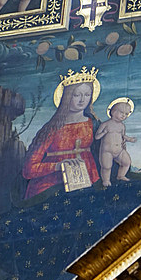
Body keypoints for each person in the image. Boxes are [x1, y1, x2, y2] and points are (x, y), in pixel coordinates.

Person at [22, 70, 101, 200]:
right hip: (51, 187)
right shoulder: (51, 128)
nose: (82, 100)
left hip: (87, 182)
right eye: (76, 95)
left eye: (87, 94)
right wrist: (57, 166)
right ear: (66, 97)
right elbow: (28, 169)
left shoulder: (94, 124)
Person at [96, 98, 136, 186]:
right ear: (113, 112)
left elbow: (123, 136)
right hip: (107, 151)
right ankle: (106, 180)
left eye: (126, 114)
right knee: (106, 167)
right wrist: (104, 132)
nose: (124, 116)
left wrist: (129, 139)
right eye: (122, 112)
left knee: (127, 162)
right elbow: (97, 137)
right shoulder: (105, 124)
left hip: (119, 150)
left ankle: (121, 176)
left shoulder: (122, 126)